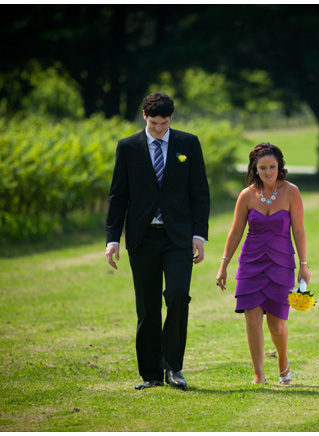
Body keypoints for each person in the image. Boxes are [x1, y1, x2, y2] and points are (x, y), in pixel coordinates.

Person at [105, 92, 210, 390]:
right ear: (144, 117)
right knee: (148, 307)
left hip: (177, 237)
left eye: (164, 123)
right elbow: (118, 195)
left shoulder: (188, 144)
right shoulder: (127, 147)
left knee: (177, 296)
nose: (159, 129)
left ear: (171, 118)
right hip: (142, 237)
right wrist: (112, 239)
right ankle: (150, 374)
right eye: (154, 124)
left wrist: (198, 234)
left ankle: (173, 368)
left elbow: (199, 193)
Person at [216, 143, 311, 386]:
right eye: (263, 168)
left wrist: (303, 264)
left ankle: (282, 361)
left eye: (272, 167)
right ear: (254, 169)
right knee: (252, 317)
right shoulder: (246, 195)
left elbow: (298, 231)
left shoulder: (291, 192)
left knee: (277, 324)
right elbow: (236, 232)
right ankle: (258, 374)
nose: (268, 172)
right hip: (251, 262)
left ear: (279, 167)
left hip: (281, 263)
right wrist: (224, 264)